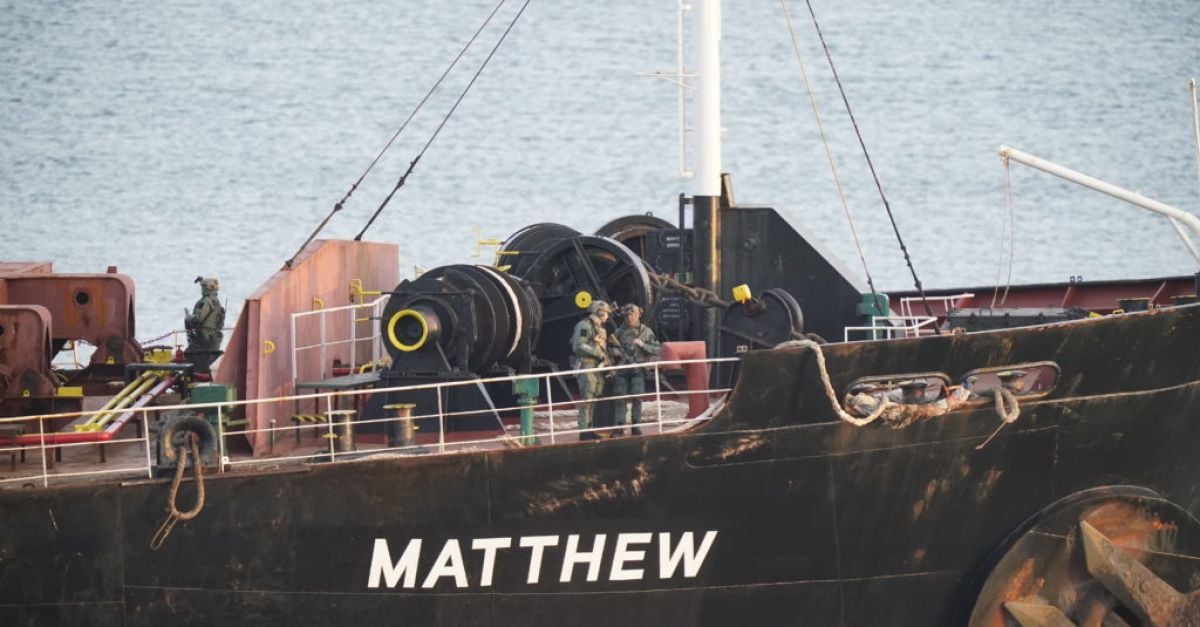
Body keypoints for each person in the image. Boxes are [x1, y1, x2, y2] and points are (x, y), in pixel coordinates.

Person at [613, 304, 660, 436]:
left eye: (632, 314)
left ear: (638, 314)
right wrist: (614, 351)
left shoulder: (645, 331)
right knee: (620, 398)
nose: (630, 317)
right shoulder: (619, 332)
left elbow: (657, 348)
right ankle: (619, 426)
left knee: (637, 398)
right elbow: (610, 349)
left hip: (638, 369)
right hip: (622, 368)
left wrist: (643, 344)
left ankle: (636, 425)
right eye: (627, 315)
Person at [570, 300, 612, 441]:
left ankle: (590, 427)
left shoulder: (601, 329)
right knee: (587, 398)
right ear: (600, 312)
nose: (607, 316)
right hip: (587, 365)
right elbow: (579, 345)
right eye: (606, 313)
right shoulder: (584, 326)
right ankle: (584, 430)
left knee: (594, 398)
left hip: (597, 367)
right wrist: (597, 353)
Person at [184, 276, 226, 372]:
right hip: (213, 339)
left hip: (203, 339)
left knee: (191, 356)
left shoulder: (207, 301)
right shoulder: (216, 301)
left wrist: (188, 317)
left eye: (203, 287)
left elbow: (199, 318)